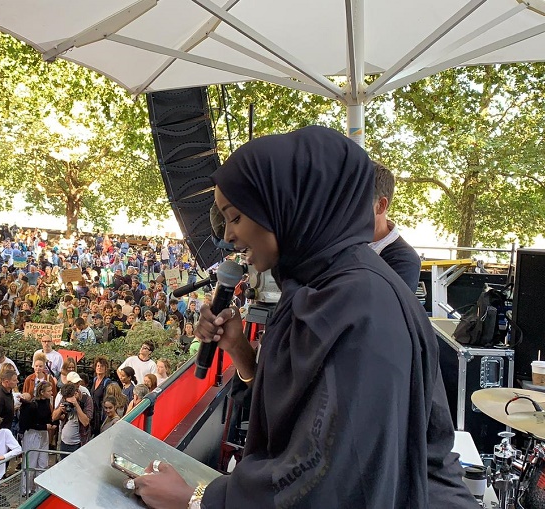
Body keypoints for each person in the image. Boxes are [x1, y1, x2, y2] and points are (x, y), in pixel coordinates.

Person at [132, 126, 474, 508]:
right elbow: (310, 410)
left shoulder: (360, 306)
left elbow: (329, 482)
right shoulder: (323, 288)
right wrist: (239, 349)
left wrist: (197, 500)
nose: (228, 236)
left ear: (286, 207)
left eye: (236, 217)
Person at [371, 161, 422, 290]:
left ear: (381, 206)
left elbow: (382, 308)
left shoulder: (404, 261)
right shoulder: (338, 242)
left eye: (357, 201)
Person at [18, 382, 55, 497]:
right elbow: (28, 424)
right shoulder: (33, 405)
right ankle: (26, 489)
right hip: (33, 434)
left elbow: (48, 417)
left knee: (42, 462)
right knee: (31, 462)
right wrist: (44, 426)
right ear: (42, 392)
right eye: (49, 391)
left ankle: (39, 488)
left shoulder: (47, 402)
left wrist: (50, 424)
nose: (51, 393)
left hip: (44, 434)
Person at [51, 374, 93, 454]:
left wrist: (76, 404)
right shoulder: (65, 396)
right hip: (64, 441)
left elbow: (85, 422)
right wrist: (60, 409)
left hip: (79, 443)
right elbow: (53, 417)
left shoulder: (86, 399)